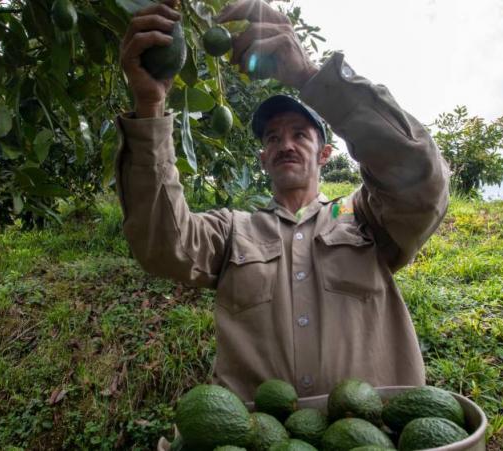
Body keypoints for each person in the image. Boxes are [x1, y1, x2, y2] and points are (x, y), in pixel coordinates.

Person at [117, 0, 450, 402]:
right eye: (272, 138)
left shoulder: (364, 218)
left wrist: (310, 76)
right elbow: (161, 243)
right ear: (263, 157)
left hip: (375, 437)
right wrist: (150, 106)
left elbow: (420, 179)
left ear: (325, 154)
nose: (285, 145)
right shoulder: (232, 231)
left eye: (300, 134)